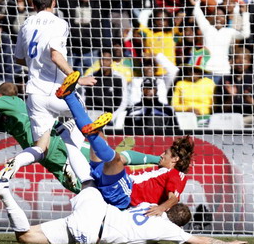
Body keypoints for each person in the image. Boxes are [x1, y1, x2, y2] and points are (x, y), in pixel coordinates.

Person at [50, 71, 193, 214]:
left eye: (166, 153)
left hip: (124, 194)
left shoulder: (177, 174)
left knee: (115, 158)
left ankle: (87, 131)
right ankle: (69, 96)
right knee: (98, 137)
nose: (162, 154)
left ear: (175, 159)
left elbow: (174, 198)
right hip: (114, 185)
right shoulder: (161, 171)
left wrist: (161, 209)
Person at [0, 181, 247, 244]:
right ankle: (5, 194)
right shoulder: (171, 230)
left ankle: (5, 192)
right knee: (26, 238)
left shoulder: (147, 206)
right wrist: (229, 243)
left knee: (26, 237)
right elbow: (201, 241)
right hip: (91, 230)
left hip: (94, 203)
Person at [11, 0, 96, 185]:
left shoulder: (26, 24)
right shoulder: (59, 23)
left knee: (41, 148)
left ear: (32, 4)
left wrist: (36, 64)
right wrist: (77, 78)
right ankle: (83, 179)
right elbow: (55, 54)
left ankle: (14, 164)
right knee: (79, 125)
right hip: (59, 92)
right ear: (54, 2)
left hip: (35, 95)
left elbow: (19, 59)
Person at [0, 82, 85, 193]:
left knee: (84, 179)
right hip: (44, 154)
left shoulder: (12, 101)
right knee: (79, 188)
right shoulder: (4, 117)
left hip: (49, 143)